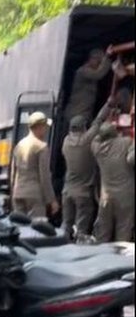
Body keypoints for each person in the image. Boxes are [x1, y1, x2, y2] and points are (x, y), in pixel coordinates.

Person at [61, 98, 114, 238]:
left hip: (67, 192)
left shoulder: (66, 142)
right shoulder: (86, 140)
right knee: (82, 231)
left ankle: (62, 250)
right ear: (84, 127)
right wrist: (108, 104)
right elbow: (98, 121)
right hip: (83, 193)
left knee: (66, 226)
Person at [91, 123, 134, 242]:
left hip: (106, 197)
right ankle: (119, 259)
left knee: (103, 232)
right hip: (125, 196)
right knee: (123, 229)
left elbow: (96, 137)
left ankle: (101, 257)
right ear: (115, 133)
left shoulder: (96, 148)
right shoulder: (126, 142)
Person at [11, 112, 59, 218]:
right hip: (34, 196)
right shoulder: (41, 147)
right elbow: (44, 176)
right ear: (39, 127)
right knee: (35, 231)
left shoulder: (19, 145)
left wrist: (13, 193)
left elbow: (13, 173)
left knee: (20, 229)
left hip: (18, 193)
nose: (46, 130)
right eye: (45, 126)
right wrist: (52, 200)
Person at [64, 47, 113, 123]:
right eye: (99, 62)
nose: (99, 65)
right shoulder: (83, 71)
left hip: (84, 113)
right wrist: (107, 56)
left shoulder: (90, 76)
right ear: (92, 59)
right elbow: (99, 74)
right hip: (76, 114)